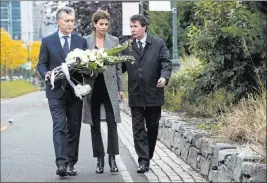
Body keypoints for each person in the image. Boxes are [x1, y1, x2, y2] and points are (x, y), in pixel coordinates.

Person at [37, 7, 87, 177]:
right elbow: (41, 64)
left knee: (74, 128)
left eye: (72, 21)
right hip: (55, 92)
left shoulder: (81, 41)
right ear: (58, 21)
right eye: (67, 21)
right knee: (59, 126)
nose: (70, 24)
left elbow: (86, 67)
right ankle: (61, 164)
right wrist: (46, 74)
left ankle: (71, 163)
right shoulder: (47, 41)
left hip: (75, 91)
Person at [121, 14, 172, 173]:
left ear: (144, 27)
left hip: (153, 93)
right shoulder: (128, 46)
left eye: (135, 26)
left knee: (152, 126)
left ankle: (147, 155)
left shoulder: (158, 43)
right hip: (135, 94)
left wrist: (164, 77)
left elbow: (166, 63)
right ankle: (143, 161)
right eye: (131, 27)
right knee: (137, 128)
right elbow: (119, 68)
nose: (132, 30)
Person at [81, 10, 124, 174]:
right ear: (94, 24)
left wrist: (121, 88)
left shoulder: (114, 40)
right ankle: (99, 159)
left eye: (106, 24)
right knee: (95, 124)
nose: (104, 27)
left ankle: (112, 158)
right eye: (101, 24)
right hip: (93, 87)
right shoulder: (86, 41)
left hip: (110, 87)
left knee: (113, 123)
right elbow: (81, 66)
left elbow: (119, 67)